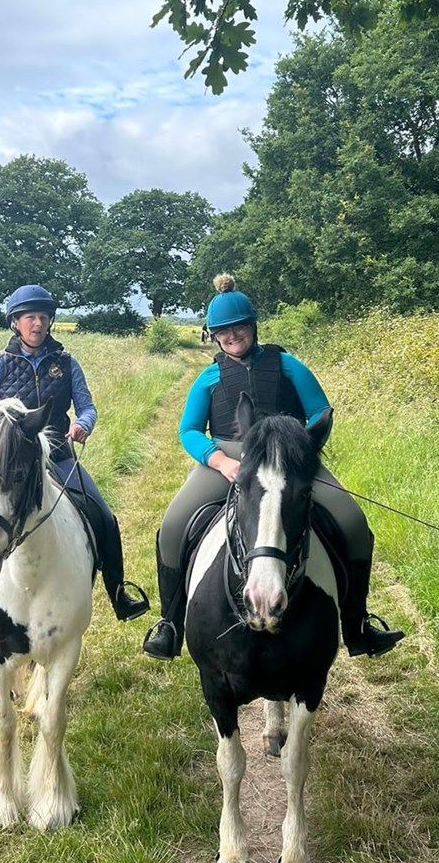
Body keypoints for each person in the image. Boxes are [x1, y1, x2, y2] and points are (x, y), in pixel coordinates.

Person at [142, 274, 404, 661]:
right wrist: (222, 462)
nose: (232, 336)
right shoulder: (208, 377)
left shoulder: (288, 366)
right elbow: (189, 430)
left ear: (253, 326)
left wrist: (297, 448)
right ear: (214, 336)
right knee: (173, 526)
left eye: (239, 327)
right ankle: (170, 624)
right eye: (223, 331)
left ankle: (357, 624)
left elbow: (320, 412)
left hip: (288, 458)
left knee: (352, 522)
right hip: (229, 460)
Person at [0, 284, 149, 634]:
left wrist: (83, 423)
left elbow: (87, 406)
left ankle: (118, 593)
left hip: (59, 456)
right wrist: (0, 428)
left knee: (103, 515)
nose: (38, 324)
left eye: (43, 318)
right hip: (8, 462)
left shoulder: (65, 363)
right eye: (30, 317)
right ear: (15, 323)